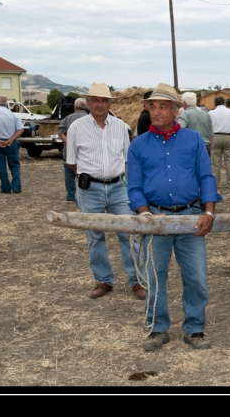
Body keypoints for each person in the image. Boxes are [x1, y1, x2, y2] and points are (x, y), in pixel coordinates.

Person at [127, 83, 222, 352]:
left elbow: (206, 176)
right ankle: (157, 328)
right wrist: (144, 214)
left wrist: (209, 211)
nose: (156, 112)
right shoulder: (138, 145)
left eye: (162, 106)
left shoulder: (193, 140)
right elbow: (133, 186)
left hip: (191, 217)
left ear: (176, 110)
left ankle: (194, 329)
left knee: (196, 277)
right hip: (155, 219)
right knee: (154, 276)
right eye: (152, 107)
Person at [65, 82, 144, 300]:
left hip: (119, 188)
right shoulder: (76, 128)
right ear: (88, 103)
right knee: (94, 236)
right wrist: (90, 176)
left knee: (129, 234)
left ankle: (137, 280)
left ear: (110, 103)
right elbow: (71, 162)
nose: (100, 104)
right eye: (95, 100)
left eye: (104, 100)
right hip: (90, 190)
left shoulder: (121, 126)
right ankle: (104, 281)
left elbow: (128, 160)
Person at [58, 97, 90, 202]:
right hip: (86, 152)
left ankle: (71, 196)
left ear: (75, 107)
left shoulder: (68, 118)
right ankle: (85, 195)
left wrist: (69, 142)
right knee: (85, 174)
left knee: (69, 174)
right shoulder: (90, 118)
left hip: (69, 152)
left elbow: (61, 131)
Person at [208, 95, 230, 188]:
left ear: (215, 104)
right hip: (229, 136)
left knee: (215, 162)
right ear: (224, 103)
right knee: (229, 161)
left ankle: (215, 183)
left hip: (215, 137)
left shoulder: (210, 113)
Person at [177, 92, 214, 157]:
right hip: (205, 147)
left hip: (190, 147)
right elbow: (211, 135)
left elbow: (180, 131)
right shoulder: (206, 115)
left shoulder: (185, 115)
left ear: (184, 103)